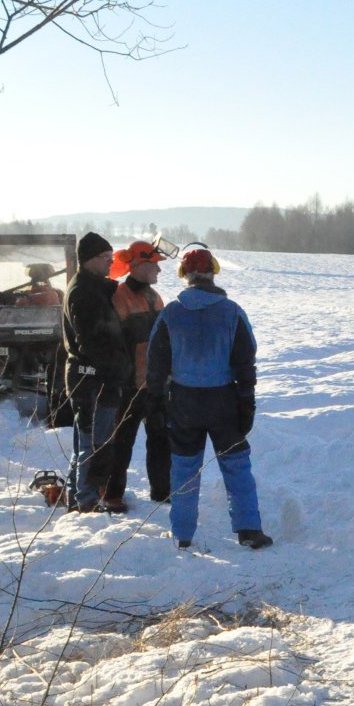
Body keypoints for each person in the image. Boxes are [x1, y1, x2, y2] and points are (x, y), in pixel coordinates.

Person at [146, 246, 271, 550]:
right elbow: (245, 361)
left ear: (184, 275)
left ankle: (182, 535)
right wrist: (247, 402)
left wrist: (155, 405)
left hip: (184, 402)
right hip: (224, 401)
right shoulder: (232, 312)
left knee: (184, 468)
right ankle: (249, 530)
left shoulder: (171, 313)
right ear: (213, 271)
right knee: (236, 464)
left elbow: (156, 365)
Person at [62, 232, 132, 512]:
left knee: (86, 440)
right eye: (105, 257)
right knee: (94, 443)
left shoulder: (94, 287)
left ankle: (76, 494)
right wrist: (116, 368)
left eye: (111, 256)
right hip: (92, 379)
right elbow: (90, 341)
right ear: (89, 260)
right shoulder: (83, 293)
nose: (110, 261)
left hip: (91, 377)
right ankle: (86, 501)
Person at [103, 241, 171, 510]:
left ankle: (162, 492)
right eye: (154, 264)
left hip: (156, 384)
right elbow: (114, 344)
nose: (158, 270)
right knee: (121, 443)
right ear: (139, 265)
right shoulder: (120, 297)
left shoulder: (155, 296)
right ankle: (112, 494)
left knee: (160, 441)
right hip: (129, 386)